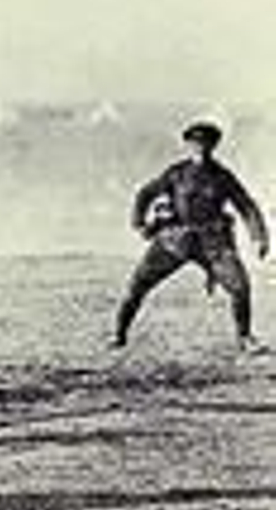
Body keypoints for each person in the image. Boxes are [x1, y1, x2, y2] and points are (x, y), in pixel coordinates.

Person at [113, 121, 269, 351]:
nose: (201, 148)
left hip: (213, 244)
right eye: (196, 143)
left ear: (214, 146)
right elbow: (145, 193)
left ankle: (244, 338)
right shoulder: (176, 173)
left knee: (240, 287)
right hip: (175, 240)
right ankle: (119, 335)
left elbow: (246, 206)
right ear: (188, 145)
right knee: (137, 286)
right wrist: (139, 223)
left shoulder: (222, 176)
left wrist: (259, 237)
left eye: (206, 143)